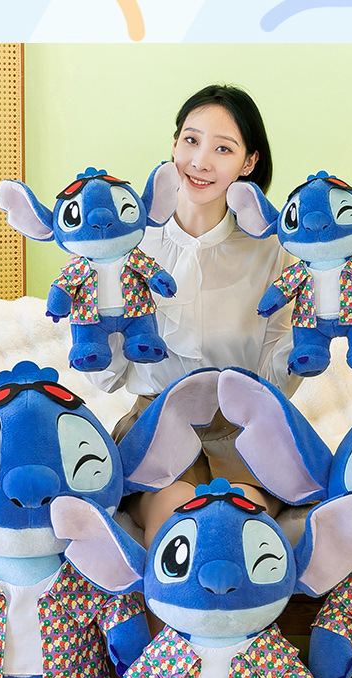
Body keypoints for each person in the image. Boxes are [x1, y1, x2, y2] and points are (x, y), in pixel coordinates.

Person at [87, 84, 297, 546]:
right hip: (156, 425)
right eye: (191, 140)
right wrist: (94, 319)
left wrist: (307, 344)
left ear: (248, 162)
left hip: (244, 431)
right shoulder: (126, 243)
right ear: (174, 144)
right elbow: (107, 377)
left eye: (223, 148)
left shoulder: (272, 250)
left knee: (234, 529)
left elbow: (275, 376)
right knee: (176, 523)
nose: (200, 161)